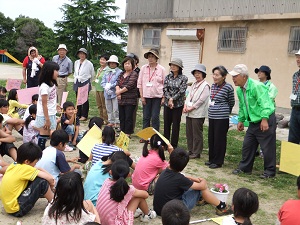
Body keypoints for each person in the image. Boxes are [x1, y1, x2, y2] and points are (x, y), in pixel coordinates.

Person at [153, 148, 232, 216]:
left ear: (170, 161)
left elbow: (183, 179)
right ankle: (221, 206)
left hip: (159, 209)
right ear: (183, 167)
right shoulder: (179, 179)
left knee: (189, 187)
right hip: (174, 213)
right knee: (201, 190)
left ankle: (202, 199)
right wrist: (202, 180)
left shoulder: (165, 171)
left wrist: (192, 178)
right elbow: (202, 186)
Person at [230, 64, 276, 179]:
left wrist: (265, 119)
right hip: (253, 122)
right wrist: (241, 120)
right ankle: (245, 168)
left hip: (265, 119)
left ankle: (269, 172)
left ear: (244, 76)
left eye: (235, 76)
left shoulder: (256, 86)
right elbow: (242, 106)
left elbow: (265, 103)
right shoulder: (240, 90)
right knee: (248, 145)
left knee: (267, 147)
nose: (233, 79)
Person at [0, 142, 55, 217]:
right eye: (35, 163)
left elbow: (38, 170)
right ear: (27, 162)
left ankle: (50, 197)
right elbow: (50, 178)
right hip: (17, 209)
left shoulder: (14, 165)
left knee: (34, 177)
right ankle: (54, 202)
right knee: (42, 182)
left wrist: (38, 168)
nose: (35, 165)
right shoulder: (25, 168)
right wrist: (52, 185)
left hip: (9, 206)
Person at [96, 159, 157, 224]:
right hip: (117, 222)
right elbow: (146, 195)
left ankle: (141, 212)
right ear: (129, 175)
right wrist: (133, 190)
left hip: (101, 221)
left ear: (110, 172)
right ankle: (148, 215)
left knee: (131, 196)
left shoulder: (106, 182)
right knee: (138, 197)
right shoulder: (128, 189)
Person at [207, 66, 235, 168]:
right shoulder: (213, 86)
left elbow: (231, 102)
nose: (214, 77)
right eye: (213, 74)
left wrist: (226, 111)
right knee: (212, 138)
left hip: (222, 117)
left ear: (224, 76)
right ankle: (211, 159)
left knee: (219, 139)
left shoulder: (228, 87)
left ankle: (218, 161)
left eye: (217, 75)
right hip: (212, 116)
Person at [137, 49, 166, 140]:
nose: (150, 58)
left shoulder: (161, 69)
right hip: (146, 96)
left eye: (153, 57)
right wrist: (142, 96)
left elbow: (165, 84)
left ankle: (155, 137)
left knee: (154, 117)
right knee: (146, 117)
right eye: (149, 56)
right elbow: (140, 83)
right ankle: (145, 136)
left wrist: (163, 97)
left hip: (157, 97)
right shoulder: (143, 68)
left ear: (156, 58)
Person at [183, 64, 210, 159]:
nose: (197, 75)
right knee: (189, 132)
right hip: (190, 112)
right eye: (195, 73)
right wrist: (185, 106)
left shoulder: (205, 86)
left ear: (203, 74)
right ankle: (190, 150)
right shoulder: (194, 84)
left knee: (197, 133)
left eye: (199, 73)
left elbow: (201, 100)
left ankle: (196, 152)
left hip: (198, 113)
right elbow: (188, 96)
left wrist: (192, 107)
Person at [163, 58, 188, 148]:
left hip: (178, 104)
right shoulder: (167, 77)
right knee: (166, 124)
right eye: (171, 65)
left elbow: (182, 91)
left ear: (179, 67)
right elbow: (165, 88)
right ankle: (165, 143)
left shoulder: (184, 78)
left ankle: (173, 144)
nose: (172, 67)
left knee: (176, 125)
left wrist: (172, 99)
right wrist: (169, 99)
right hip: (167, 103)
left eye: (175, 65)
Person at [35, 61, 59, 150]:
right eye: (56, 70)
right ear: (49, 72)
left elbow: (51, 99)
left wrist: (56, 104)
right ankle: (39, 154)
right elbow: (44, 104)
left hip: (51, 112)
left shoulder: (52, 82)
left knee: (49, 134)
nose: (58, 72)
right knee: (44, 136)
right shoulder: (44, 87)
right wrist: (47, 120)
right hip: (45, 115)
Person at [116, 56, 139, 137]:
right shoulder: (121, 73)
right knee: (121, 116)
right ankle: (122, 131)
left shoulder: (134, 74)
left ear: (132, 65)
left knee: (128, 117)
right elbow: (117, 83)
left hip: (130, 99)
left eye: (128, 64)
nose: (127, 65)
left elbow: (129, 85)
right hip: (121, 99)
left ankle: (128, 132)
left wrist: (119, 92)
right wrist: (118, 92)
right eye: (125, 63)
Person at [73, 48, 95, 121]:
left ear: (86, 55)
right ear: (78, 54)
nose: (82, 55)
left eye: (83, 54)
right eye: (80, 54)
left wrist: (88, 81)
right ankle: (78, 113)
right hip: (77, 80)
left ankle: (84, 115)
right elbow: (76, 72)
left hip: (85, 81)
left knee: (84, 99)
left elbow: (92, 74)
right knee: (78, 98)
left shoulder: (89, 63)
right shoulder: (76, 62)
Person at [101, 55, 122, 129]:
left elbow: (118, 82)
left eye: (114, 63)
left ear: (116, 64)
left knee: (116, 109)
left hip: (115, 92)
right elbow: (103, 81)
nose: (112, 64)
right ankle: (111, 121)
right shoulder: (106, 71)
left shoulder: (119, 72)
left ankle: (117, 122)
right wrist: (105, 87)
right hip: (107, 92)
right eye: (110, 63)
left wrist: (111, 86)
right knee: (108, 108)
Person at [288, 49, 300, 144]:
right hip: (295, 110)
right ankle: (292, 159)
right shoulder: (295, 75)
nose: (298, 59)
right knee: (292, 138)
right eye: (297, 57)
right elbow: (294, 91)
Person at [126, 53, 140, 131]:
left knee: (132, 112)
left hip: (134, 94)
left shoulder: (138, 71)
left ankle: (130, 129)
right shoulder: (125, 70)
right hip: (125, 94)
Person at [95, 54, 109, 124]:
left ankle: (106, 119)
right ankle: (101, 118)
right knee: (99, 105)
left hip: (103, 90)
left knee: (104, 105)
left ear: (107, 61)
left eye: (104, 60)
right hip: (97, 88)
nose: (102, 61)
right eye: (101, 59)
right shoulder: (98, 69)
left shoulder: (108, 69)